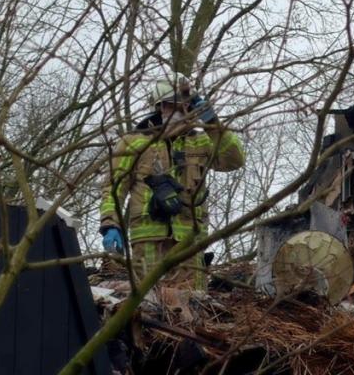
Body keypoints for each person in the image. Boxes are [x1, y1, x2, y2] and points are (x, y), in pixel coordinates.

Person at [99, 76, 245, 289]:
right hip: (148, 240)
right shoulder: (135, 141)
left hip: (188, 243)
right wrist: (110, 224)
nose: (178, 110)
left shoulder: (201, 141)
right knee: (150, 302)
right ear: (160, 107)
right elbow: (113, 187)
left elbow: (234, 159)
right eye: (171, 105)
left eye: (184, 105)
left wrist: (213, 124)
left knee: (191, 306)